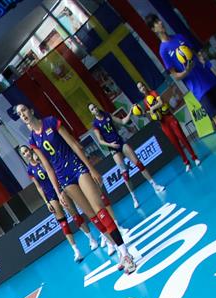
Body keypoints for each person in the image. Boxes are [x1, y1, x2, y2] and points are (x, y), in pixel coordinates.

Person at [15, 103, 138, 272]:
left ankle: (126, 254)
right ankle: (119, 251)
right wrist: (58, 193)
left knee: (99, 209)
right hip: (63, 178)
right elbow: (48, 167)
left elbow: (73, 145)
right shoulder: (33, 140)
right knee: (92, 216)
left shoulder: (51, 122)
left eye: (23, 110)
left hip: (76, 167)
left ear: (31, 110)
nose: (22, 114)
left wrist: (91, 168)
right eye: (19, 114)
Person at [147, 14, 216, 176]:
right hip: (199, 89)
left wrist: (203, 61)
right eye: (156, 23)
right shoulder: (163, 51)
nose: (160, 23)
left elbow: (195, 53)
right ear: (153, 29)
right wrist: (186, 71)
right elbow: (175, 76)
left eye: (159, 20)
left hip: (210, 80)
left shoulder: (179, 37)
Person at [17, 144, 101, 261]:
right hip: (50, 195)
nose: (26, 154)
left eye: (26, 151)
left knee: (75, 215)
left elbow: (51, 171)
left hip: (60, 189)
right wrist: (47, 202)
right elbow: (39, 187)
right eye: (23, 153)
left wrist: (40, 162)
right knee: (63, 223)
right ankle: (76, 250)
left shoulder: (42, 159)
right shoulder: (30, 170)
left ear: (30, 150)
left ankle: (92, 238)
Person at [86, 103, 166, 207]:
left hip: (120, 142)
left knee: (139, 163)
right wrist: (110, 145)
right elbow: (100, 141)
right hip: (113, 148)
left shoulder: (107, 115)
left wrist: (130, 112)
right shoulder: (95, 124)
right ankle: (134, 198)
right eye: (92, 109)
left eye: (95, 107)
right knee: (125, 174)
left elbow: (123, 121)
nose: (95, 109)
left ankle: (155, 186)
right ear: (92, 112)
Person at [134, 80, 200, 170]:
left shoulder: (153, 92)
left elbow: (160, 102)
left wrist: (153, 108)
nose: (142, 88)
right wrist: (144, 113)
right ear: (139, 91)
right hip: (163, 124)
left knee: (182, 138)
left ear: (145, 86)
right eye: (140, 88)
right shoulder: (145, 101)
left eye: (142, 86)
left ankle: (194, 157)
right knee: (175, 143)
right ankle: (186, 162)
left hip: (170, 118)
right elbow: (151, 113)